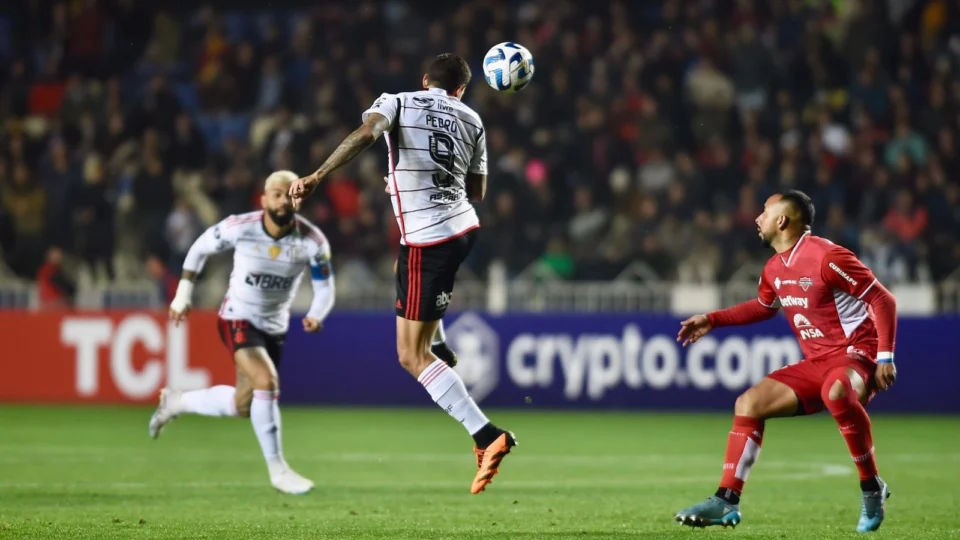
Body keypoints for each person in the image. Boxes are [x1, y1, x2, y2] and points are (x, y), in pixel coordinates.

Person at [289, 53, 515, 494]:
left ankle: (488, 436)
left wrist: (318, 174)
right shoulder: (472, 119)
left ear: (425, 79)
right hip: (462, 228)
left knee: (410, 357)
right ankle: (441, 339)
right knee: (404, 273)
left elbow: (366, 134)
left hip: (428, 240)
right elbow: (478, 190)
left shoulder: (398, 100)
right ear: (461, 90)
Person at [673, 190, 898, 532]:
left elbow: (883, 300)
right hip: (818, 362)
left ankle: (871, 488)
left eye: (764, 212)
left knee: (836, 391)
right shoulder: (775, 267)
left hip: (857, 354)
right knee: (748, 403)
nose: (756, 219)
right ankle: (726, 499)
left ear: (782, 221)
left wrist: (885, 357)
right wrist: (712, 319)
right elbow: (763, 308)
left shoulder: (828, 256)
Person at [149, 171, 336, 495]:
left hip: (274, 328)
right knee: (266, 381)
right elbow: (199, 248)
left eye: (288, 193)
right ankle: (279, 471)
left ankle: (178, 401)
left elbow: (325, 286)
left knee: (244, 404)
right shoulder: (241, 227)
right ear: (263, 200)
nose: (282, 199)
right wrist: (183, 295)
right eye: (275, 194)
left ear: (298, 198)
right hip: (237, 317)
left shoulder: (312, 241)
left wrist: (317, 314)